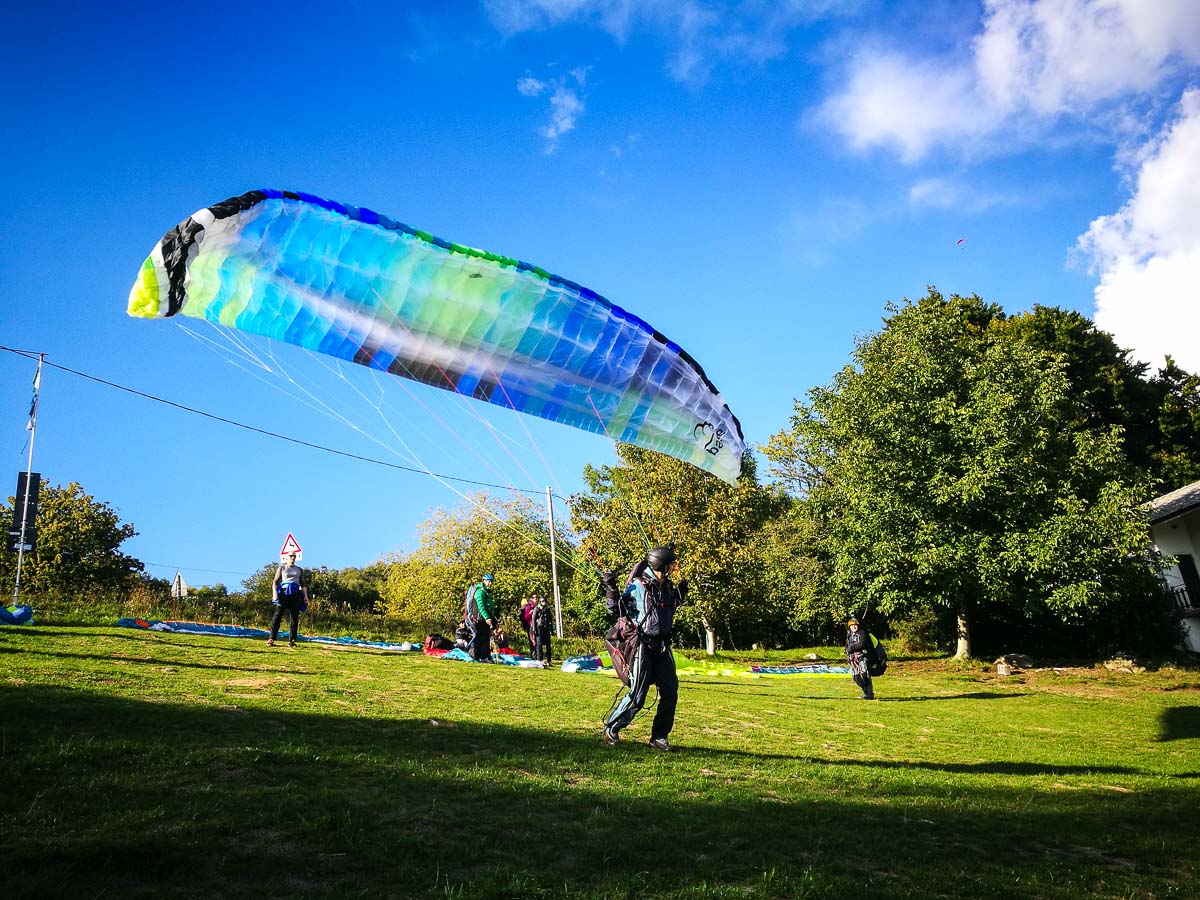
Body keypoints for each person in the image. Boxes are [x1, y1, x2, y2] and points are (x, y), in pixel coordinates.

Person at [602, 545, 688, 751]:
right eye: (671, 564)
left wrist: (680, 594)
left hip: (663, 647)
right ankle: (612, 728)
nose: (674, 568)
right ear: (662, 565)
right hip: (643, 645)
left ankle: (659, 737)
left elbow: (669, 608)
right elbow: (615, 609)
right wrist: (611, 588)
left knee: (670, 692)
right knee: (638, 695)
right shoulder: (638, 586)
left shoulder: (666, 587)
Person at [268, 552, 309, 648]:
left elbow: (303, 584)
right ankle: (271, 638)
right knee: (278, 615)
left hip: (295, 593)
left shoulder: (299, 570)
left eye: (294, 556)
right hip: (284, 593)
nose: (293, 557)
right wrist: (275, 594)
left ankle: (292, 640)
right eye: (291, 556)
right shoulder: (282, 568)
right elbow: (275, 582)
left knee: (294, 617)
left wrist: (305, 596)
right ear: (286, 557)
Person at [465, 573, 497, 661]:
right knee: (480, 637)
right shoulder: (480, 592)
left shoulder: (487, 592)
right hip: (479, 619)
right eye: (488, 581)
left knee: (485, 637)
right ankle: (475, 656)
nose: (490, 583)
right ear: (484, 581)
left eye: (491, 581)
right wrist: (487, 617)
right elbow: (481, 606)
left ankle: (484, 657)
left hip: (485, 618)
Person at [845, 616, 877, 700]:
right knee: (856, 677)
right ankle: (865, 691)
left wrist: (851, 649)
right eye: (852, 626)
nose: (854, 627)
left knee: (865, 675)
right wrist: (847, 652)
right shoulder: (849, 635)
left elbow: (862, 644)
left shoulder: (862, 633)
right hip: (853, 659)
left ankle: (869, 693)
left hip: (862, 657)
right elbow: (847, 645)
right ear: (849, 627)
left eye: (855, 625)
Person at [530, 594, 554, 666]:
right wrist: (534, 629)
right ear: (540, 602)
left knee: (548, 644)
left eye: (545, 601)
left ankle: (549, 660)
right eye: (543, 601)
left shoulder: (547, 609)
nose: (544, 603)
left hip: (546, 627)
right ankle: (540, 659)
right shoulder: (537, 608)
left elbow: (550, 619)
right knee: (539, 644)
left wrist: (551, 629)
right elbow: (534, 619)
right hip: (539, 627)